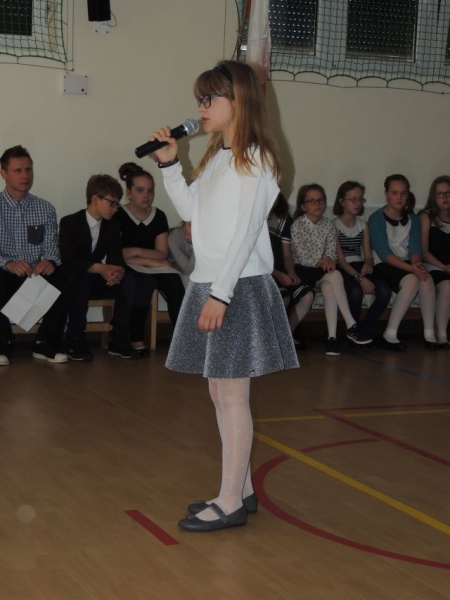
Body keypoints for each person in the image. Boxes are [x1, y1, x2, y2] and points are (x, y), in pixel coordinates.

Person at [149, 60, 298, 532]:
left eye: (209, 98)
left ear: (238, 101)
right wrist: (170, 165)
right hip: (212, 284)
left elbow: (246, 233)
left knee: (232, 396)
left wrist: (221, 294)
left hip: (236, 288)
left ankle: (230, 501)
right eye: (200, 99)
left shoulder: (257, 159)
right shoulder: (218, 156)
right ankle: (243, 488)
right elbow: (192, 212)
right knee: (219, 392)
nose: (201, 107)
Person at [0, 145, 69, 365]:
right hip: (6, 272)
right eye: (18, 170)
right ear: (3, 173)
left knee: (65, 277)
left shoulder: (45, 208)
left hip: (35, 273)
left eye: (28, 170)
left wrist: (49, 261)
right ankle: (2, 345)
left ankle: (45, 344)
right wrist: (8, 263)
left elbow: (52, 247)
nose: (25, 176)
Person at [59, 174, 138, 361]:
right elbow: (68, 260)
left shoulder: (112, 226)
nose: (115, 209)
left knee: (129, 281)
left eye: (117, 204)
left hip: (98, 277)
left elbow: (116, 257)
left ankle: (118, 338)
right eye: (112, 203)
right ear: (95, 199)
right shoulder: (69, 222)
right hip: (75, 276)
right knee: (81, 283)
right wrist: (99, 268)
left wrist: (117, 272)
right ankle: (74, 338)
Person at [290, 184, 372, 356]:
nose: (317, 204)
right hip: (304, 271)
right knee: (334, 275)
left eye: (320, 200)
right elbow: (302, 256)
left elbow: (332, 251)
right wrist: (322, 262)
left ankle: (332, 338)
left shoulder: (328, 225)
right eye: (311, 201)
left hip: (322, 272)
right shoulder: (297, 225)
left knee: (330, 285)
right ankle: (351, 325)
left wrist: (328, 258)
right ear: (303, 206)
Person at [116, 162, 185, 356]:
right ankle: (135, 336)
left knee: (174, 282)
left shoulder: (158, 216)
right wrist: (152, 260)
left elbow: (161, 252)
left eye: (150, 190)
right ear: (128, 192)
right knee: (141, 282)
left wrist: (137, 251)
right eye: (140, 190)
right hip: (130, 268)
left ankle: (181, 340)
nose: (146, 195)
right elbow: (120, 255)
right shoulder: (118, 215)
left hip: (152, 266)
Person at [368, 174, 437, 351]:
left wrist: (417, 266)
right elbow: (384, 254)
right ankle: (389, 334)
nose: (399, 197)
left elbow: (415, 249)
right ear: (386, 194)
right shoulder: (376, 218)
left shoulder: (413, 219)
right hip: (383, 264)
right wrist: (411, 269)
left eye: (403, 193)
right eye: (394, 193)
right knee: (411, 280)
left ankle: (429, 334)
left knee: (425, 278)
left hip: (407, 263)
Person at [332, 181, 391, 340]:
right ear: (342, 201)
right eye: (353, 199)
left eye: (360, 199)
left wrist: (368, 265)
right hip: (344, 268)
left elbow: (368, 255)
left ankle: (363, 329)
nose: (358, 203)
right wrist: (359, 277)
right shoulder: (334, 226)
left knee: (384, 291)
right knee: (355, 291)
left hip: (359, 265)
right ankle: (352, 329)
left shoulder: (363, 225)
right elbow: (341, 261)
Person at [268, 192, 314, 348]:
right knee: (283, 296)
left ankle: (286, 336)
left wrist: (291, 272)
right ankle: (269, 340)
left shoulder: (284, 220)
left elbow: (287, 255)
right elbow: (253, 258)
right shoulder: (251, 219)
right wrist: (277, 274)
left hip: (281, 271)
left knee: (307, 295)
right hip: (261, 272)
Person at [418, 176, 450, 349]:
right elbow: (424, 251)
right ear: (434, 197)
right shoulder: (426, 217)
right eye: (440, 194)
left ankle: (443, 334)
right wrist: (443, 267)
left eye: (448, 193)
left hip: (448, 268)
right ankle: (434, 332)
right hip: (432, 265)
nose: (445, 197)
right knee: (447, 286)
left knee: (448, 286)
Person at [168, 221, 195, 287]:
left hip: (199, 271)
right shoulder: (174, 238)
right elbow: (189, 270)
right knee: (188, 280)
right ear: (183, 224)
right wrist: (196, 244)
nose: (194, 230)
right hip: (181, 272)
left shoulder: (206, 235)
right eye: (190, 225)